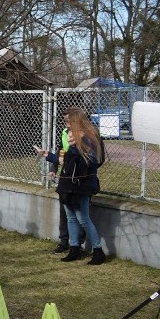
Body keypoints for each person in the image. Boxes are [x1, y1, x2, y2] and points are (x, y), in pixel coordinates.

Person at [36, 109, 106, 265]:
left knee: (84, 218)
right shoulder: (70, 137)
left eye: (68, 122)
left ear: (76, 122)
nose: (66, 126)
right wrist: (48, 155)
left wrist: (76, 147)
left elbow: (92, 161)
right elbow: (65, 160)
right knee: (71, 218)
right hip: (67, 183)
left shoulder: (89, 138)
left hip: (82, 185)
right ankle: (74, 248)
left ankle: (98, 250)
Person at [50, 108, 86, 254]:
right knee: (64, 212)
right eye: (65, 121)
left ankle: (79, 244)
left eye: (68, 121)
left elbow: (97, 158)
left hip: (80, 179)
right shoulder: (65, 133)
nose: (66, 124)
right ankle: (64, 241)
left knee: (81, 214)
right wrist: (54, 168)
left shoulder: (89, 134)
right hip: (66, 177)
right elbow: (61, 151)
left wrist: (80, 169)